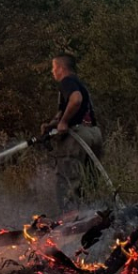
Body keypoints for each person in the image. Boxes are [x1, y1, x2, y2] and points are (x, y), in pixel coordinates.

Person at [40, 54, 104, 213]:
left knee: (68, 181)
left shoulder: (66, 81)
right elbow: (77, 108)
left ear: (61, 68)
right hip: (94, 134)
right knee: (90, 181)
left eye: (54, 68)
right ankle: (91, 216)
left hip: (77, 136)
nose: (52, 71)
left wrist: (63, 122)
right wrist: (52, 124)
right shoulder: (79, 83)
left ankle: (69, 222)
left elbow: (76, 100)